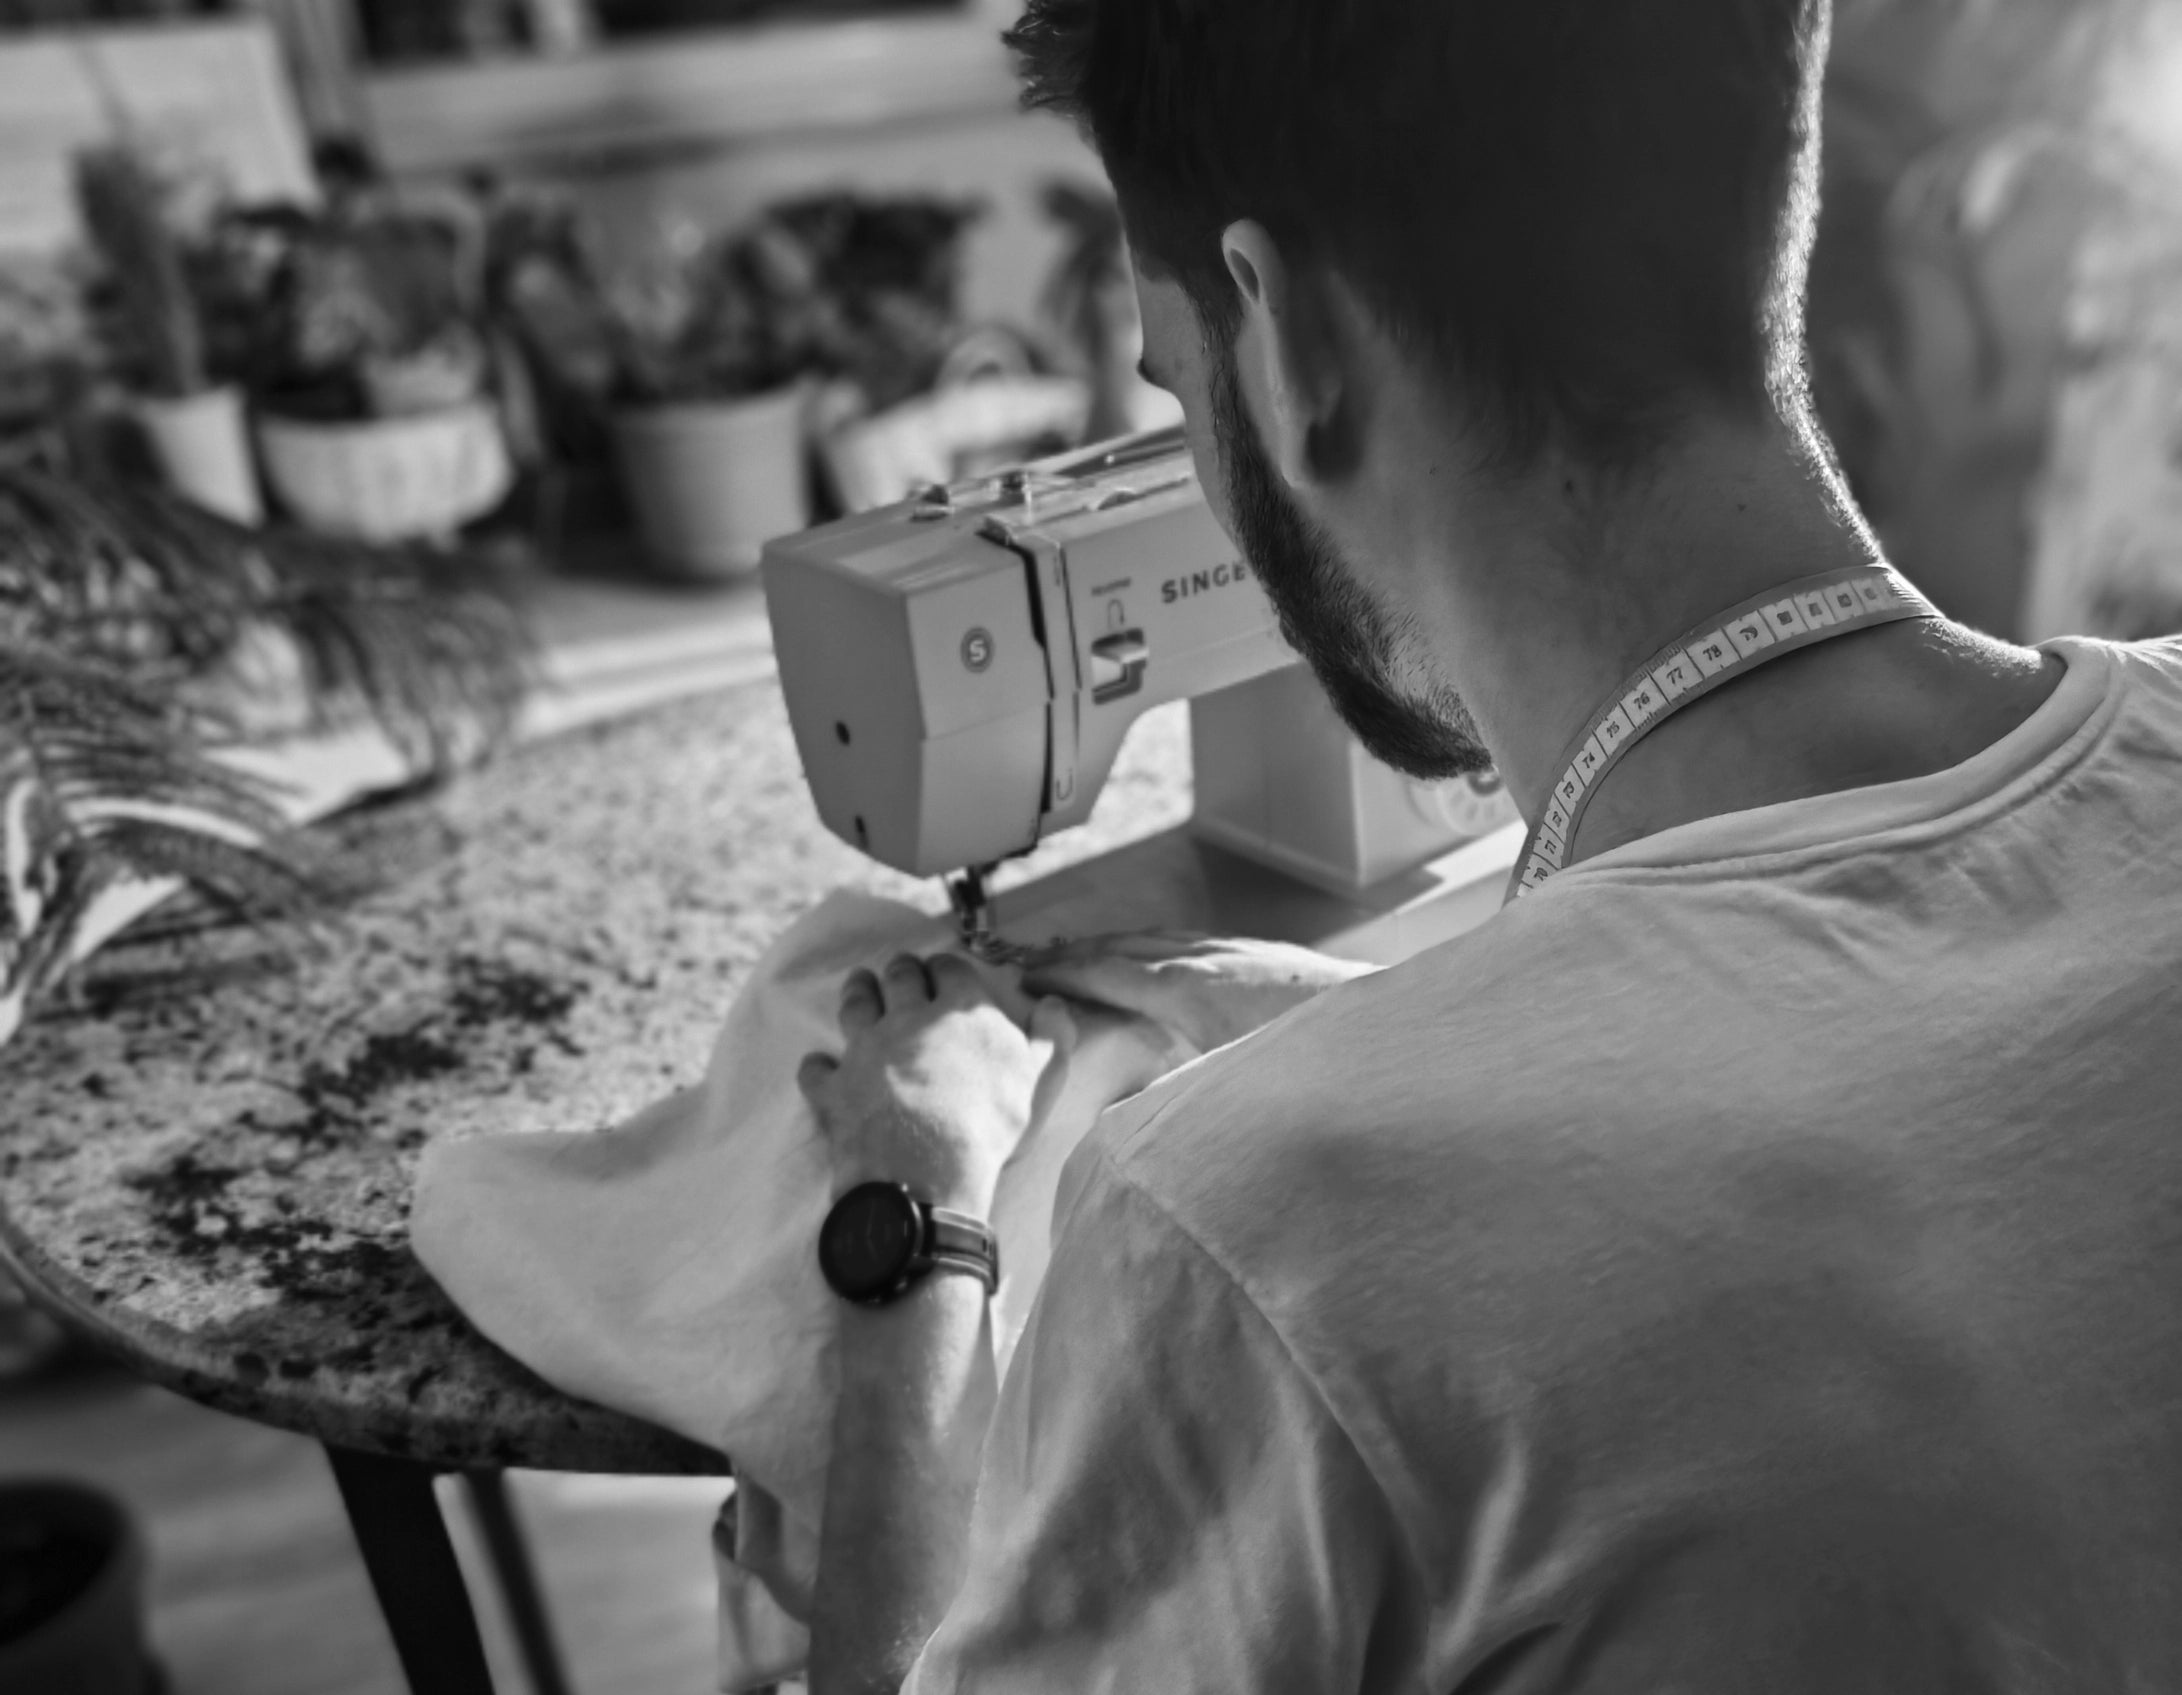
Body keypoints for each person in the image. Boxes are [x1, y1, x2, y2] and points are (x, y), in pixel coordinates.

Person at [793, 1, 2182, 1689]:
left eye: (1175, 385)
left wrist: (910, 1232)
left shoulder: (1248, 1234)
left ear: (1284, 340)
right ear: (1774, 213)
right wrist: (1414, 1050)